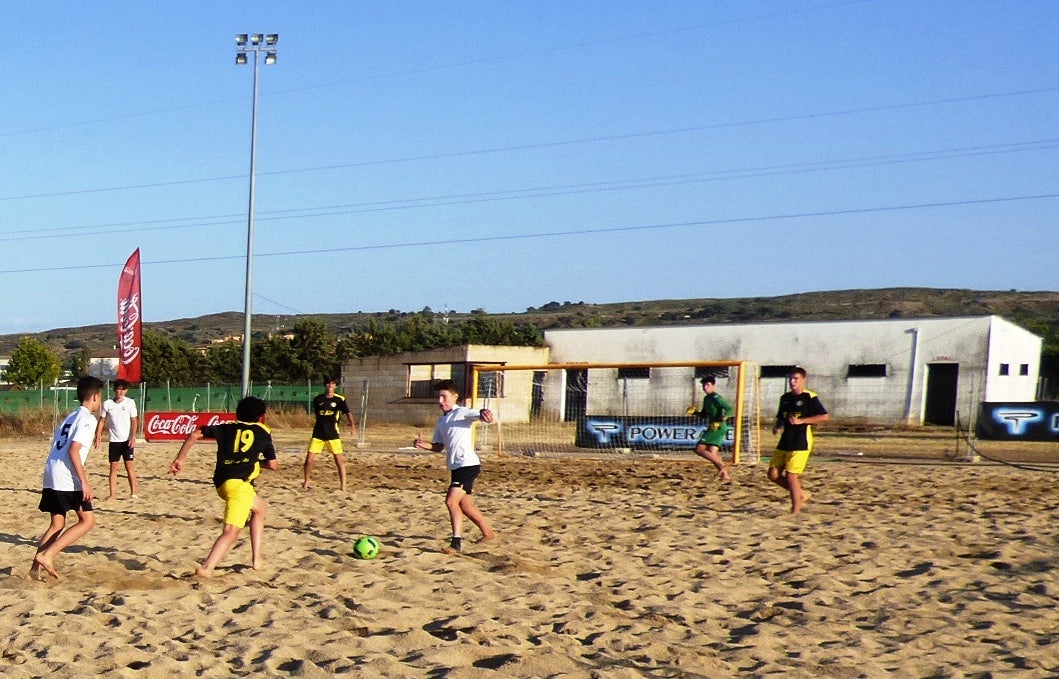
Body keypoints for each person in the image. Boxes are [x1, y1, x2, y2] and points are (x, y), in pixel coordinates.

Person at [168, 396, 278, 577]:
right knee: (231, 531)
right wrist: (256, 462)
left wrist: (180, 459)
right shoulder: (263, 432)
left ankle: (257, 558)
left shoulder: (225, 427)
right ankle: (207, 568)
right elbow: (273, 465)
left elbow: (194, 434)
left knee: (260, 508)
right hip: (239, 486)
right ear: (260, 416)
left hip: (222, 482)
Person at [30, 375, 105, 580]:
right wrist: (84, 482)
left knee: (57, 524)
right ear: (95, 397)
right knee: (87, 521)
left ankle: (33, 572)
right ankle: (48, 555)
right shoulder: (88, 419)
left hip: (51, 472)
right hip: (66, 476)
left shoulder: (69, 417)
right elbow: (74, 450)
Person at [414, 379, 498, 553]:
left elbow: (479, 415)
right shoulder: (441, 422)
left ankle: (456, 543)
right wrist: (423, 445)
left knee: (451, 501)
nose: (440, 401)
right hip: (456, 467)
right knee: (465, 506)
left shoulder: (461, 412)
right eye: (438, 397)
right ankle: (488, 533)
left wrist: (485, 413)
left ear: (455, 397)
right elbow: (438, 447)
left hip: (468, 464)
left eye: (444, 397)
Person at [768, 367, 829, 513]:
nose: (792, 382)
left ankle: (795, 510)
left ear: (803, 380)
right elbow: (781, 417)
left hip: (801, 442)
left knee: (791, 476)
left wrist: (802, 421)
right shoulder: (785, 398)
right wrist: (777, 426)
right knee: (773, 474)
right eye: (790, 379)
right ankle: (801, 494)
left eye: (795, 379)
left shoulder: (810, 397)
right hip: (785, 441)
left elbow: (824, 416)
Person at [302, 377, 357, 491]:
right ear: (325, 385)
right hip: (318, 434)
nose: (330, 386)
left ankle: (343, 486)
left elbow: (348, 413)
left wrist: (352, 425)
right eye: (328, 383)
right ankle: (306, 481)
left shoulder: (339, 400)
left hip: (333, 434)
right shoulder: (318, 399)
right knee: (309, 460)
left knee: (339, 461)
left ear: (335, 386)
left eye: (332, 384)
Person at [96, 379, 139, 500]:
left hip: (127, 440)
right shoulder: (108, 404)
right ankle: (112, 494)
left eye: (123, 389)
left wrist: (133, 436)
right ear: (114, 390)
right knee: (113, 468)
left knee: (129, 466)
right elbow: (102, 420)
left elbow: (134, 420)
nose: (121, 392)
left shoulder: (130, 403)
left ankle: (133, 492)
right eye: (119, 389)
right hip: (114, 441)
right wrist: (98, 434)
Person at [692, 375, 733, 482]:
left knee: (699, 449)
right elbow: (704, 415)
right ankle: (725, 475)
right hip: (713, 426)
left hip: (718, 427)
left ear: (713, 386)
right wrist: (695, 413)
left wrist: (724, 417)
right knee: (711, 452)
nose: (705, 387)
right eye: (704, 385)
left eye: (708, 385)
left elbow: (729, 408)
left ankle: (722, 465)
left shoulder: (716, 397)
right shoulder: (706, 399)